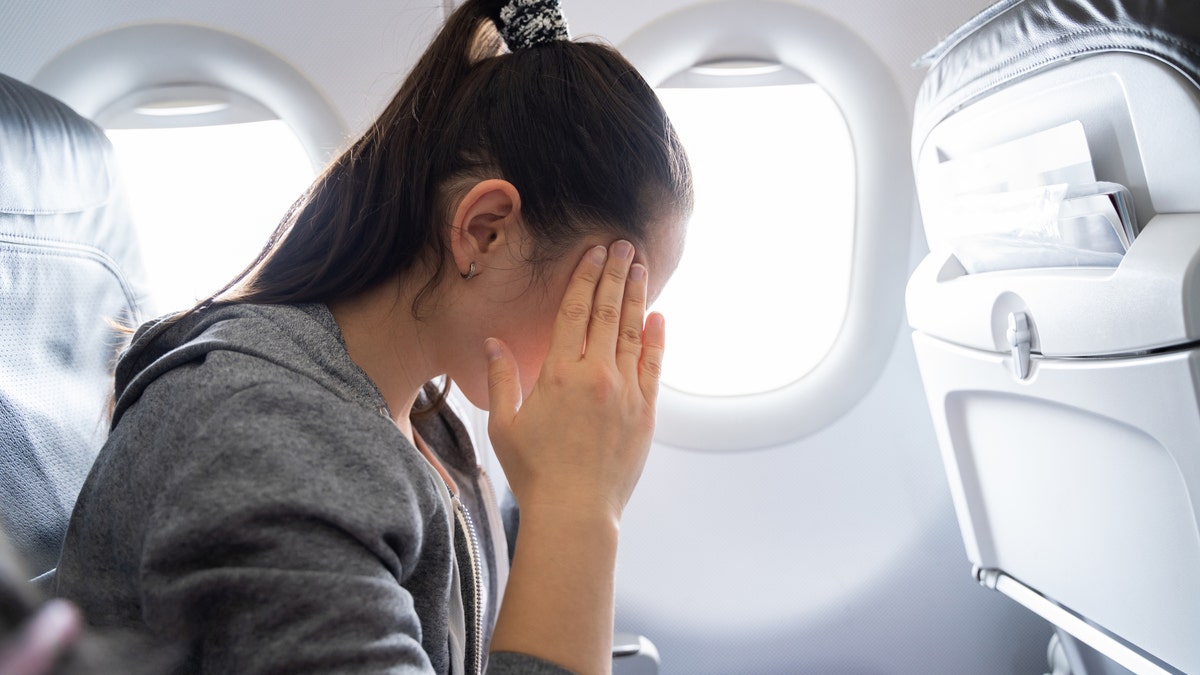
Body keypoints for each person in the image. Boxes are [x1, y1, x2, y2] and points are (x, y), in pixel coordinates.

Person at [53, 0, 693, 672]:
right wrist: (578, 508)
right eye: (605, 303)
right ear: (485, 230)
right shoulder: (265, 440)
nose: (609, 361)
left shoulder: (424, 417)